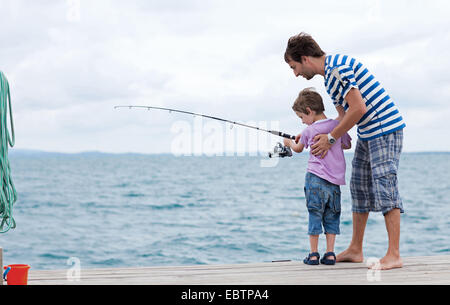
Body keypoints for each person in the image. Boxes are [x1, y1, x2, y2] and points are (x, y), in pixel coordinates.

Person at [284, 32, 406, 270]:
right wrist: (313, 131)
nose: (296, 73)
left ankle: (394, 254)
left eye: (294, 66)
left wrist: (330, 139)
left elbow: (358, 108)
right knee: (359, 187)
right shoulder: (329, 80)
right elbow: (341, 117)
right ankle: (355, 249)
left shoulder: (338, 67)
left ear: (305, 58)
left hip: (384, 129)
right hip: (368, 134)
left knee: (385, 187)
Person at [284, 88, 351, 265]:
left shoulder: (309, 130)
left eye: (301, 118)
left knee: (315, 214)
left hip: (314, 179)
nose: (303, 122)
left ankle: (313, 254)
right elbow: (347, 144)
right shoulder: (337, 127)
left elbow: (298, 149)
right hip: (334, 182)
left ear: (309, 111)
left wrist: (288, 142)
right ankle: (330, 254)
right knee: (332, 215)